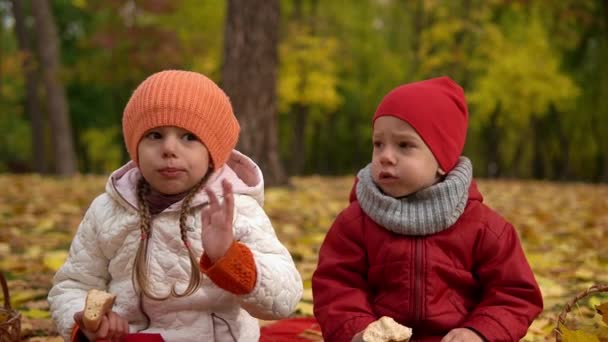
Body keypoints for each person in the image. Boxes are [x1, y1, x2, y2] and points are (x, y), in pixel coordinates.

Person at [48, 70, 303, 342]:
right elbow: (72, 285)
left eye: (189, 137)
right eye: (155, 135)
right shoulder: (107, 210)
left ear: (212, 153)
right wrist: (88, 323)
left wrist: (229, 258)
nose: (169, 148)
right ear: (135, 148)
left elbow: (284, 297)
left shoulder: (233, 209)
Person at [312, 76, 543, 342]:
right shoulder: (354, 224)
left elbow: (514, 293)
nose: (386, 156)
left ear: (443, 160)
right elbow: (336, 286)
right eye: (378, 144)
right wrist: (357, 330)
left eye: (404, 145)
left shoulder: (484, 228)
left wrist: (480, 332)